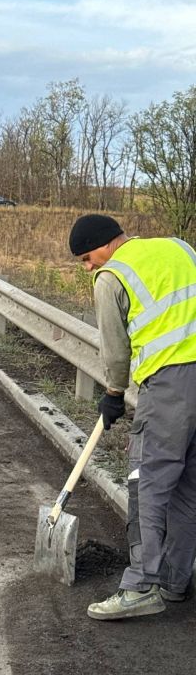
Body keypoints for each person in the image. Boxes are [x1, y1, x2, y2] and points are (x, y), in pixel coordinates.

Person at [68, 213, 196, 620]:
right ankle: (174, 581)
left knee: (148, 482)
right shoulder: (179, 247)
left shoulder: (112, 276)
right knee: (188, 487)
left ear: (105, 244)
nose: (88, 267)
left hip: (171, 385)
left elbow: (115, 348)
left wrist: (113, 394)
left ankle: (140, 586)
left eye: (87, 258)